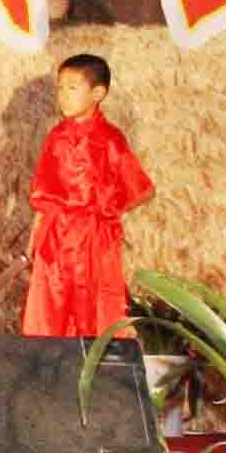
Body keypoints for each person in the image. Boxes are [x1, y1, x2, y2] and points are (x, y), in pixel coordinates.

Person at [19, 53, 155, 339]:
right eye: (60, 88)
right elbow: (45, 194)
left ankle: (96, 363)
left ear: (98, 93)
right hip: (56, 236)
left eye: (72, 88)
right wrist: (36, 238)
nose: (63, 96)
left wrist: (107, 209)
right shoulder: (56, 136)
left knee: (95, 310)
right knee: (49, 310)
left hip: (94, 239)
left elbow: (142, 188)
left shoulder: (110, 139)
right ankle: (48, 365)